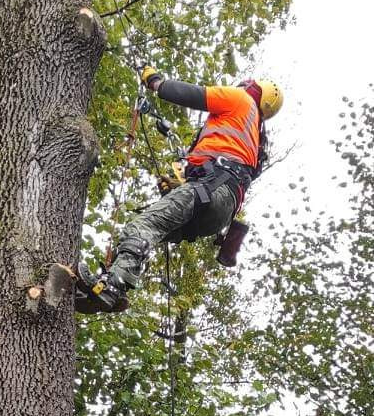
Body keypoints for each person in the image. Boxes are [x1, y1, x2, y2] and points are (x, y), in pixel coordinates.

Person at [75, 68, 283, 314]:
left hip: (211, 189)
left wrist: (156, 82)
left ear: (254, 89)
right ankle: (108, 286)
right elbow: (224, 170)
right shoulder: (254, 134)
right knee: (151, 234)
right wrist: (178, 188)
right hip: (218, 212)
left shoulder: (241, 100)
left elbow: (193, 94)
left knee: (143, 227)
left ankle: (111, 287)